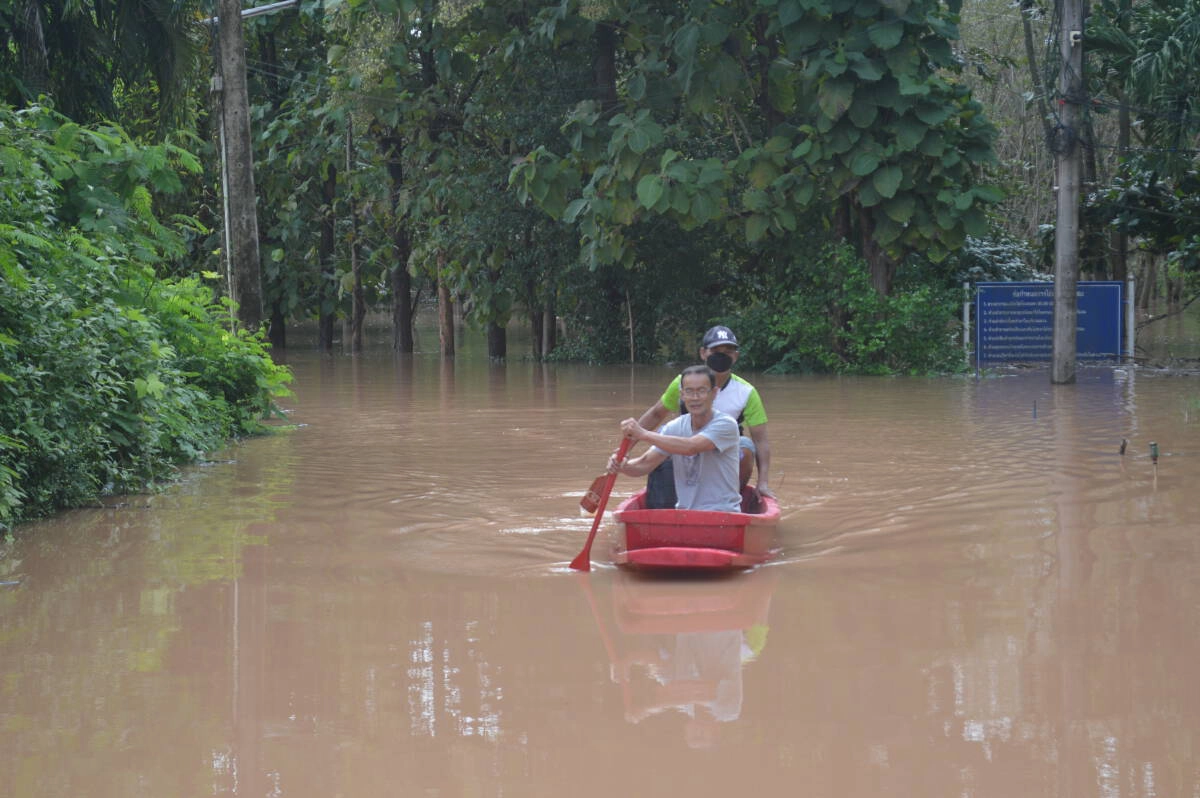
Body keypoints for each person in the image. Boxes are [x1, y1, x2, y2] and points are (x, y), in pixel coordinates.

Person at [637, 325, 773, 508]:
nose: (721, 356)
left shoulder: (746, 392)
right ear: (703, 353)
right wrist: (624, 450)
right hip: (682, 445)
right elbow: (656, 414)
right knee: (662, 438)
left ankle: (730, 499)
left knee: (747, 446)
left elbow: (761, 441)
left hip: (722, 451)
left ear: (736, 356)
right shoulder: (683, 382)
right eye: (716, 351)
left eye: (728, 351)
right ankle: (663, 506)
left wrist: (763, 482)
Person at [607, 364, 741, 513]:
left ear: (714, 393)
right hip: (684, 514)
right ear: (682, 395)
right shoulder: (675, 427)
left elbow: (691, 447)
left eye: (702, 391)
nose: (695, 398)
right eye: (689, 391)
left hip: (722, 513)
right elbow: (644, 464)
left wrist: (643, 433)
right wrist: (622, 466)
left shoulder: (726, 424)